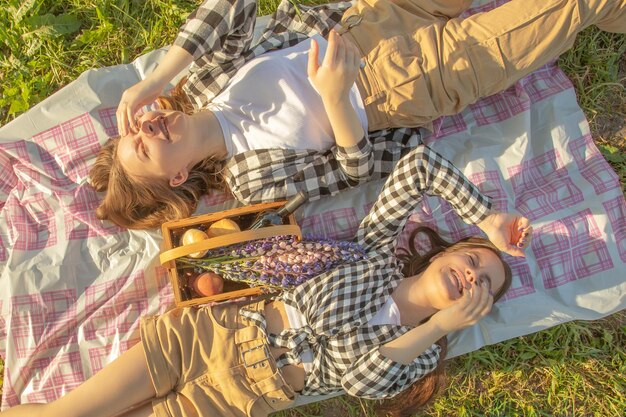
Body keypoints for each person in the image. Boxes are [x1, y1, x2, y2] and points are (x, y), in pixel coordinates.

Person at [2, 144, 532, 417]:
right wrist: (485, 219)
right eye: (474, 258)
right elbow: (417, 166)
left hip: (233, 399)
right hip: (209, 337)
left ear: (478, 307)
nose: (473, 272)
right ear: (447, 250)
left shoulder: (418, 352)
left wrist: (439, 327)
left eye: (485, 282)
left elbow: (361, 376)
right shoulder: (373, 251)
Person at [90, 0, 625, 230]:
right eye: (143, 146)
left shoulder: (200, 83)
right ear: (177, 176)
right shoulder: (249, 178)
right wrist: (334, 95)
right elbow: (353, 169)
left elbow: (235, 5)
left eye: (135, 126)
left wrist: (156, 77)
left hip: (367, 18)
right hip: (400, 85)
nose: (146, 126)